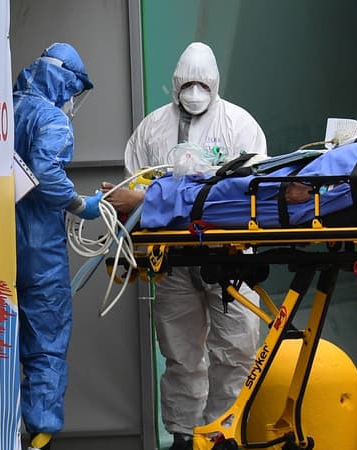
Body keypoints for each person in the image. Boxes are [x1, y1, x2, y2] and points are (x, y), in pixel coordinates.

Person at [103, 42, 266, 450]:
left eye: (201, 83)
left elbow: (247, 192)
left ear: (214, 83)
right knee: (180, 354)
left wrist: (158, 198)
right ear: (176, 83)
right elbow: (134, 188)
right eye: (187, 83)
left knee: (236, 350)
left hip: (228, 257)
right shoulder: (152, 128)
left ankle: (225, 433)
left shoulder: (238, 125)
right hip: (173, 260)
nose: (194, 91)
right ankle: (182, 436)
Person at [13, 42, 102, 450]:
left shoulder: (1, 108)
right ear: (65, 82)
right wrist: (79, 203)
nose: (72, 102)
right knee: (45, 344)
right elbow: (46, 173)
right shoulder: (52, 120)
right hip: (39, 250)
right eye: (73, 90)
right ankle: (41, 436)